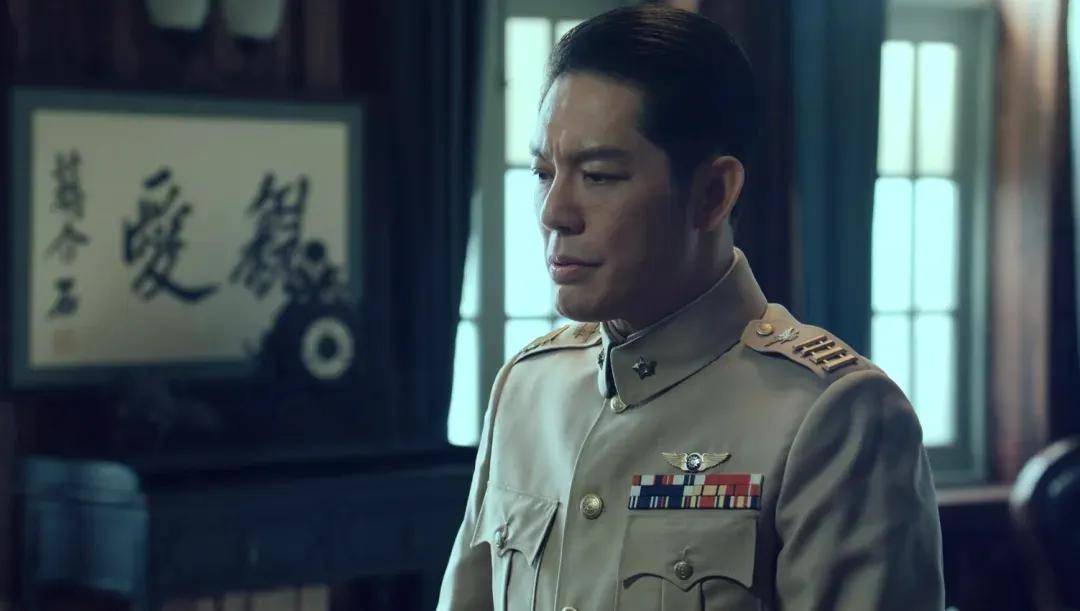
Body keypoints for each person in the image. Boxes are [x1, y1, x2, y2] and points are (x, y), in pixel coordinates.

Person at [437, 5, 944, 610]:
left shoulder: (832, 416)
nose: (554, 213)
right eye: (544, 173)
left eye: (598, 176)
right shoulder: (526, 389)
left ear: (712, 194)